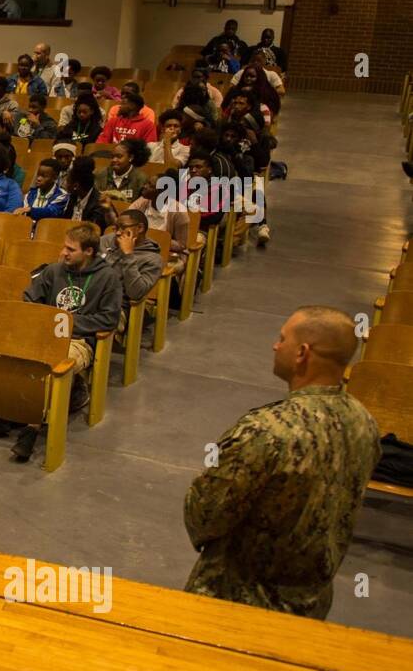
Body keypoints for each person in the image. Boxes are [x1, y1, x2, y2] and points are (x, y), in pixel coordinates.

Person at [184, 306, 380, 619]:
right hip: (309, 604)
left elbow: (205, 515)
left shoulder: (266, 430)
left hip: (236, 602)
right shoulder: (363, 422)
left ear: (302, 353)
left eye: (282, 338)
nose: (276, 346)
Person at [14, 223, 121, 461]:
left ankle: (32, 427)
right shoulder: (54, 271)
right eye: (64, 247)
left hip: (79, 341)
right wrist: (45, 321)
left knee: (54, 363)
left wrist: (68, 323)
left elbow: (109, 318)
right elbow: (29, 298)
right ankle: (3, 411)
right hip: (45, 334)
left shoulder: (108, 278)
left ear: (89, 252)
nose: (63, 252)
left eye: (70, 249)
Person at [99, 208, 163, 306]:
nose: (118, 233)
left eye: (122, 227)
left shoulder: (153, 259)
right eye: (115, 228)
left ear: (140, 228)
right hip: (87, 295)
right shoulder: (106, 240)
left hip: (115, 306)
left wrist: (128, 255)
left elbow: (136, 293)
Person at [95, 140, 148, 205]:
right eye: (112, 156)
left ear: (130, 157)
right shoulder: (101, 174)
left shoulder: (140, 179)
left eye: (119, 156)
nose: (114, 160)